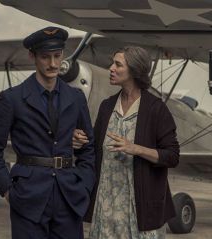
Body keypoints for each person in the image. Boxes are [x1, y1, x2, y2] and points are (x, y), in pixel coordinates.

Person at [0, 26, 96, 239]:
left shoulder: (76, 97)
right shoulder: (11, 99)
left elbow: (88, 147)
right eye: (45, 57)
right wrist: (7, 190)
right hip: (27, 196)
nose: (53, 64)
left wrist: (85, 184)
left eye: (57, 56)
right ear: (32, 56)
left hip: (69, 195)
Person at [73, 46, 179, 238]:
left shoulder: (156, 109)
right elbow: (93, 151)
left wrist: (136, 148)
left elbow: (172, 156)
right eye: (112, 63)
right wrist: (79, 143)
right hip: (105, 206)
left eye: (118, 64)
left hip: (140, 209)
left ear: (135, 70)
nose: (111, 68)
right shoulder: (106, 107)